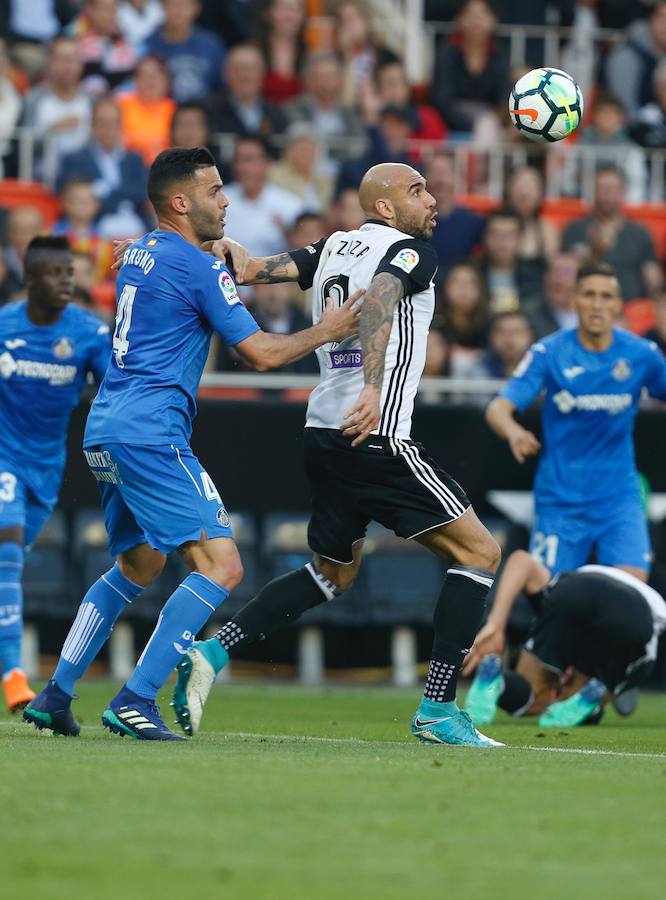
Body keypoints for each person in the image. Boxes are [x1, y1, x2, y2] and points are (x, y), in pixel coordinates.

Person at [24, 147, 361, 740]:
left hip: (105, 427)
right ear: (180, 202)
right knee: (223, 564)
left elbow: (153, 257)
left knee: (139, 563)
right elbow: (258, 353)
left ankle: (56, 692)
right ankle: (135, 698)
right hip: (151, 431)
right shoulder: (196, 268)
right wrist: (329, 329)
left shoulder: (140, 253)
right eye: (213, 191)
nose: (225, 200)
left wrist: (214, 255)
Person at [173, 162, 504, 748]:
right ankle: (439, 708)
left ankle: (211, 651)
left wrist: (217, 247)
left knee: (333, 573)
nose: (431, 200)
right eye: (417, 190)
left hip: (321, 433)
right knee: (480, 551)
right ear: (384, 208)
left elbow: (248, 269)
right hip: (374, 434)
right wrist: (375, 386)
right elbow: (380, 298)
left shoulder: (329, 248)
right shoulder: (410, 253)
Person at [485, 262, 666, 581]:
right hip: (561, 498)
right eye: (589, 295)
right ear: (575, 300)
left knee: (630, 589)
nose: (597, 304)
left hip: (618, 498)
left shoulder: (642, 355)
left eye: (606, 296)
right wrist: (514, 432)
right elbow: (498, 408)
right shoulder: (549, 352)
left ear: (617, 304)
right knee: (552, 595)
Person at [0, 235, 110, 713]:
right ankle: (13, 674)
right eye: (56, 273)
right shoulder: (3, 327)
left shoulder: (88, 333)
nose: (67, 281)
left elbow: (114, 393)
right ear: (31, 279)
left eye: (71, 273)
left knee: (6, 564)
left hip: (46, 469)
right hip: (3, 459)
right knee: (8, 558)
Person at [462, 551, 666, 728]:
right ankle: (593, 700)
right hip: (635, 614)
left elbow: (521, 560)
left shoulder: (581, 576)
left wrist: (496, 624)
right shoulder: (650, 601)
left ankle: (498, 680)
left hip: (573, 590)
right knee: (636, 670)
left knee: (533, 696)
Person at [561, 166, 662, 302]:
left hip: (631, 309)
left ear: (623, 192)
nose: (607, 194)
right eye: (602, 188)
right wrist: (595, 253)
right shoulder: (575, 229)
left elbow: (652, 279)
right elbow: (565, 274)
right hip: (585, 305)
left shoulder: (640, 233)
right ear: (593, 191)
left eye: (612, 189)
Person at [57, 97, 148, 237]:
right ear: (92, 125)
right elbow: (71, 198)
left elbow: (141, 193)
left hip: (137, 228)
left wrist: (106, 191)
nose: (108, 129)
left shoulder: (134, 159)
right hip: (93, 229)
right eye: (102, 123)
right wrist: (123, 195)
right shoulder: (74, 160)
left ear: (121, 126)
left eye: (113, 123)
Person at [21, 36, 91, 181]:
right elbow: (23, 148)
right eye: (62, 59)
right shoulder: (34, 99)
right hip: (42, 179)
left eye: (73, 59)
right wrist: (50, 131)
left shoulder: (92, 101)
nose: (68, 66)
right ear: (49, 63)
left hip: (84, 179)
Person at [223, 135, 304, 258]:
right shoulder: (219, 198)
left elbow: (305, 250)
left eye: (248, 160)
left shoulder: (290, 205)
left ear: (268, 162)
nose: (241, 168)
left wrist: (290, 236)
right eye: (237, 160)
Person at [145, 0, 225, 104]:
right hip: (163, 113)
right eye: (173, 5)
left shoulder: (212, 44)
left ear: (196, 8)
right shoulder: (149, 45)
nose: (179, 11)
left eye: (185, 5)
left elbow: (222, 85)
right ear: (162, 8)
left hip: (204, 112)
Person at [206, 43, 288, 142]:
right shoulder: (209, 111)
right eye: (237, 69)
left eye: (250, 69)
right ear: (225, 74)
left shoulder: (276, 114)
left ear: (262, 74)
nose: (244, 76)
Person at [116, 56, 176, 165]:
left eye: (156, 76)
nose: (150, 81)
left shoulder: (176, 111)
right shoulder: (120, 106)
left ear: (167, 80)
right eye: (145, 75)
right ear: (135, 80)